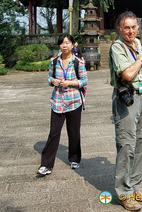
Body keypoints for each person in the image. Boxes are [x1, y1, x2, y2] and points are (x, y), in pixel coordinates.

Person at [109, 11, 142, 211]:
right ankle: (124, 193)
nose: (131, 31)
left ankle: (135, 186)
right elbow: (128, 74)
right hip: (126, 100)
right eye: (126, 27)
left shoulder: (138, 44)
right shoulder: (117, 47)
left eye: (134, 27)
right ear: (119, 29)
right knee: (127, 146)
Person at [37, 33, 88, 177]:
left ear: (72, 45)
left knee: (74, 132)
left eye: (67, 43)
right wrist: (52, 81)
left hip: (73, 101)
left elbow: (84, 80)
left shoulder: (78, 62)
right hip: (58, 101)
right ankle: (46, 165)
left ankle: (74, 158)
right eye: (62, 43)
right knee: (54, 133)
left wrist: (71, 83)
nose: (64, 45)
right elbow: (49, 77)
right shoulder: (54, 61)